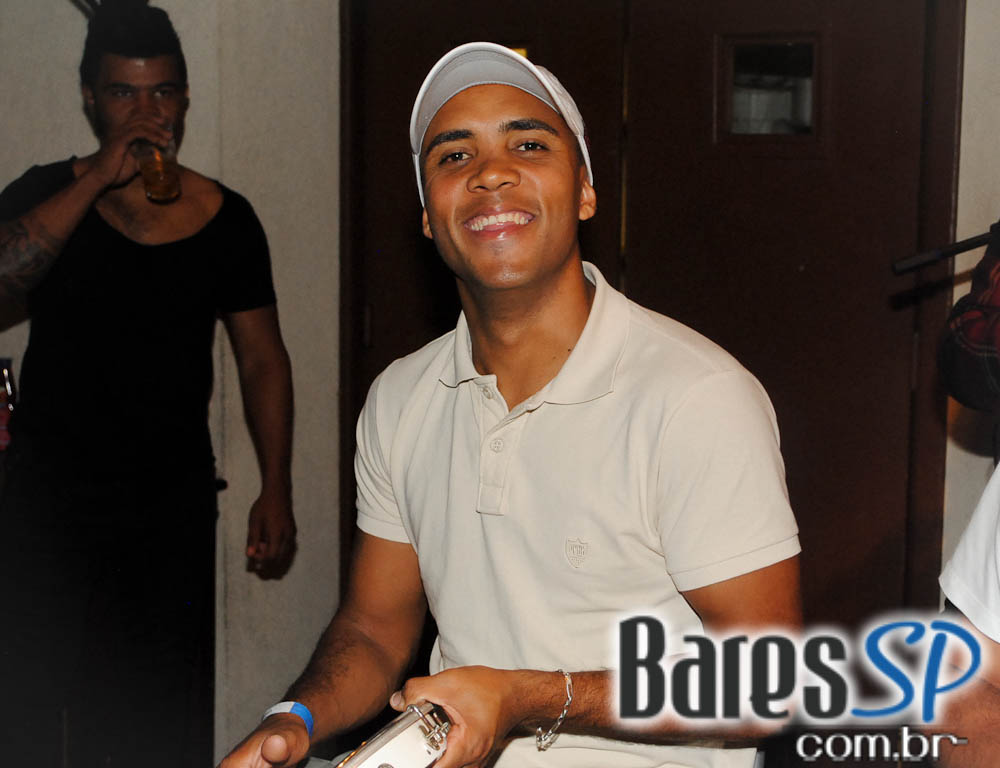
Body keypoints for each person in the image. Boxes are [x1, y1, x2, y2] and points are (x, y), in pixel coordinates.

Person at [221, 42, 800, 768]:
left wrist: (526, 697)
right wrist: (294, 720)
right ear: (428, 216)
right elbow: (374, 628)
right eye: (454, 155)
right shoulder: (401, 399)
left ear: (584, 192)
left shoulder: (695, 397)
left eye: (528, 144)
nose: (490, 172)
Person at [0, 1, 295, 766]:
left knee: (156, 717)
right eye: (123, 93)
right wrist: (98, 176)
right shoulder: (45, 191)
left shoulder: (228, 219)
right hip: (47, 504)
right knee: (28, 711)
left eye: (161, 92)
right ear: (90, 99)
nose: (145, 112)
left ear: (185, 98)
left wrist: (276, 486)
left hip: (168, 509)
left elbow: (262, 358)